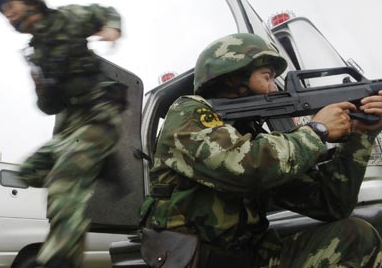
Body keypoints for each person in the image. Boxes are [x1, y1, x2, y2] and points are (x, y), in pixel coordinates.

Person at [139, 33, 382, 267]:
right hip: (201, 260)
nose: (274, 88)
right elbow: (242, 167)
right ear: (234, 76)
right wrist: (316, 130)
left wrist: (360, 135)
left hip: (250, 258)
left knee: (355, 237)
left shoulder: (255, 142)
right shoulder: (188, 112)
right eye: (267, 76)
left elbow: (332, 204)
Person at [0, 0, 126, 268]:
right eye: (4, 12)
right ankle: (101, 163)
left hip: (99, 115)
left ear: (31, 2)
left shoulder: (67, 19)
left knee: (64, 180)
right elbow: (49, 108)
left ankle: (60, 259)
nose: (8, 15)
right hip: (71, 126)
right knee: (29, 170)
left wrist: (111, 29)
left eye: (10, 6)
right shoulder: (36, 54)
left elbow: (105, 12)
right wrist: (42, 88)